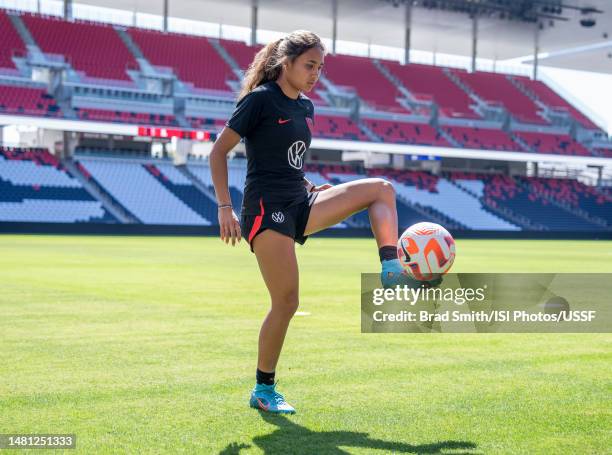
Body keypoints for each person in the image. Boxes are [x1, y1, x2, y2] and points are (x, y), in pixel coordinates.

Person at [210, 30, 429, 415]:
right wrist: (225, 207)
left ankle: (391, 268)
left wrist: (310, 184)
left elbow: (288, 159)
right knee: (287, 301)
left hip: (300, 199)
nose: (316, 74)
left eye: (320, 67)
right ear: (286, 64)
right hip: (266, 208)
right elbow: (218, 151)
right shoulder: (259, 101)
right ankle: (264, 389)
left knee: (382, 189)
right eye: (309, 66)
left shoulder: (306, 106)